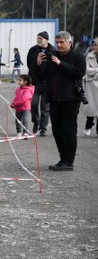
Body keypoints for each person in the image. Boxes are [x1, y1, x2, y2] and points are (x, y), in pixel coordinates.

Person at [37, 31, 86, 171]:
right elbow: (43, 76)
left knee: (69, 131)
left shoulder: (77, 56)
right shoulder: (53, 56)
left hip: (71, 99)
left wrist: (60, 64)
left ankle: (69, 162)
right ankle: (63, 159)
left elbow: (79, 72)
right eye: (57, 42)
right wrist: (39, 64)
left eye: (62, 42)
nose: (58, 45)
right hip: (54, 99)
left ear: (70, 42)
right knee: (57, 131)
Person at [27, 31, 54, 136]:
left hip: (48, 83)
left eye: (41, 38)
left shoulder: (53, 51)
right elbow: (29, 65)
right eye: (37, 38)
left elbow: (54, 68)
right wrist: (37, 63)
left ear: (46, 40)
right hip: (35, 82)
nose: (38, 40)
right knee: (33, 104)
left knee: (45, 107)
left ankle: (43, 128)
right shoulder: (33, 50)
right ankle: (36, 122)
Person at [10, 74, 35, 138]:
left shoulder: (28, 90)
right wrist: (13, 102)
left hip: (25, 108)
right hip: (18, 108)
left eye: (20, 80)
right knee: (17, 120)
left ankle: (25, 132)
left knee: (25, 120)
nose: (18, 81)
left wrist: (15, 104)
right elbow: (16, 98)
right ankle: (19, 132)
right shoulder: (18, 90)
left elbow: (23, 99)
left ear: (25, 82)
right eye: (18, 80)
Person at [83, 38, 98, 135]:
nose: (94, 47)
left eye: (96, 45)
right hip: (91, 84)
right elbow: (87, 70)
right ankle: (89, 124)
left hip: (94, 80)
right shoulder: (89, 56)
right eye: (93, 45)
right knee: (91, 107)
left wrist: (95, 72)